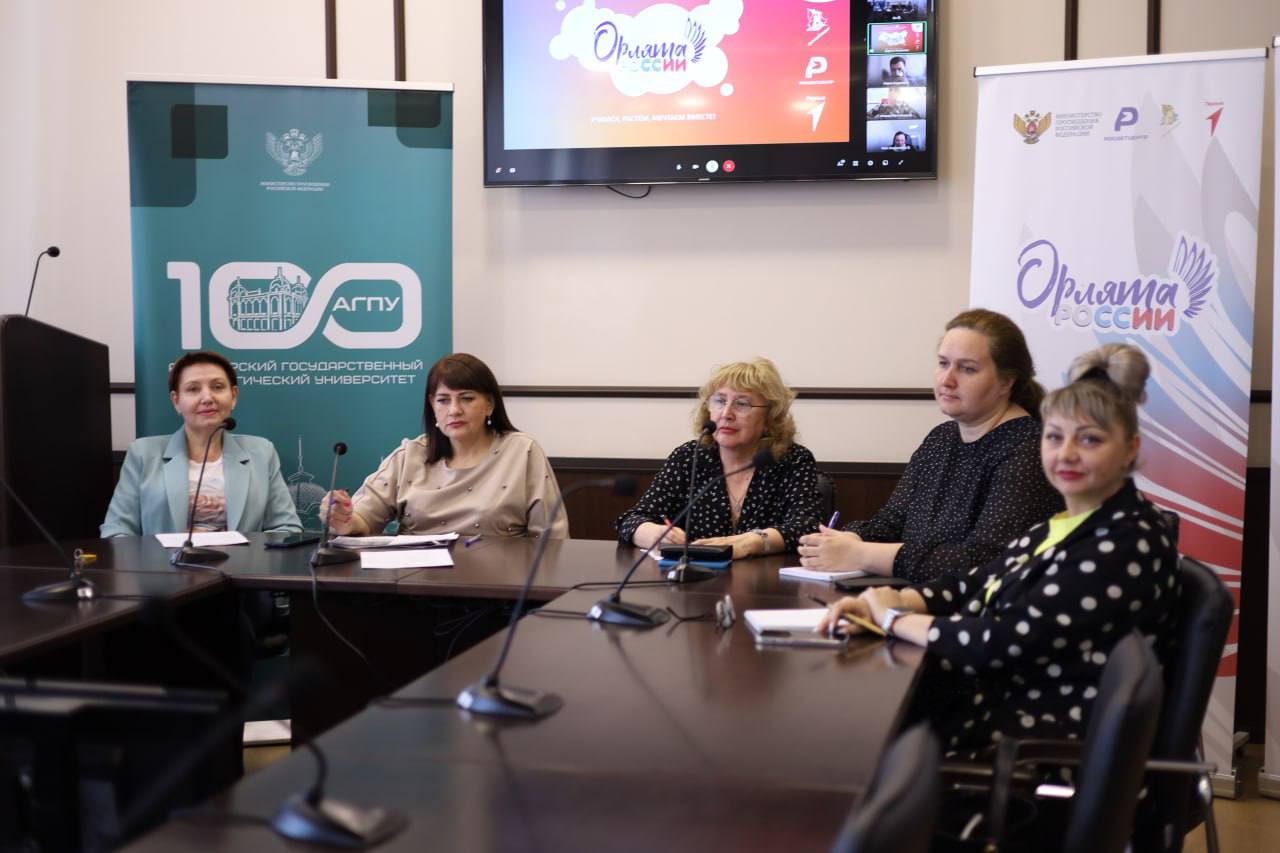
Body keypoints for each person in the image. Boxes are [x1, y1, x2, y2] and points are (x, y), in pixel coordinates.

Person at [818, 344, 1179, 755]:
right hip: (993, 710)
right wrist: (885, 602)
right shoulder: (1062, 524)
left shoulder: (1126, 540)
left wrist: (894, 618)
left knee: (846, 736)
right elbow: (974, 583)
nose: (1066, 454)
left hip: (1033, 748)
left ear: (1130, 448)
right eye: (1054, 437)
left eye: (1090, 439)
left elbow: (1003, 640)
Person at [797, 309, 1061, 583]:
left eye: (967, 369)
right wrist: (848, 539)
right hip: (916, 594)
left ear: (1006, 382)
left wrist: (861, 554)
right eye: (943, 363)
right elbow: (891, 522)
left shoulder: (1030, 449)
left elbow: (983, 561)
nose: (947, 380)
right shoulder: (941, 438)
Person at [321, 353, 567, 539]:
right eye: (443, 400)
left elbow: (551, 540)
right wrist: (343, 518)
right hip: (414, 582)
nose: (454, 410)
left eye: (467, 398)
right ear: (432, 405)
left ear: (489, 404)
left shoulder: (523, 452)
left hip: (501, 585)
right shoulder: (410, 455)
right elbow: (363, 519)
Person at [616, 358, 820, 558]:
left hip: (765, 578)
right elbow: (632, 520)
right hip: (694, 576)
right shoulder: (689, 457)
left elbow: (805, 527)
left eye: (742, 404)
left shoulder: (793, 460)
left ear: (769, 418)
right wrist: (655, 534)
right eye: (720, 401)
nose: (726, 413)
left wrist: (753, 542)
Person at [101, 351, 301, 537]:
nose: (207, 398)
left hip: (244, 563)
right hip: (163, 563)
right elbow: (116, 530)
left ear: (233, 396)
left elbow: (287, 528)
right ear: (176, 401)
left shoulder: (261, 452)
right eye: (193, 389)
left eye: (217, 387)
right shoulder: (143, 453)